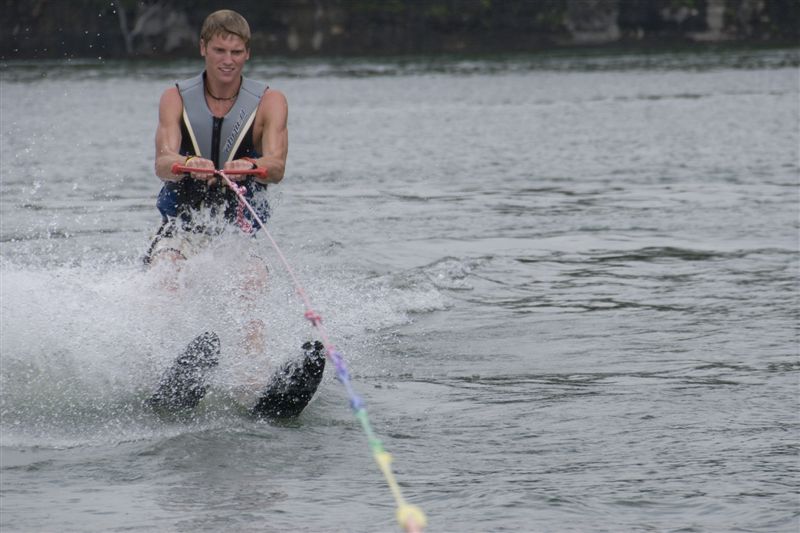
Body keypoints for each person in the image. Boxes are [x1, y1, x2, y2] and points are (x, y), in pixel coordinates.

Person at [145, 9, 288, 356]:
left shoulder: (270, 102)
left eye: (236, 52)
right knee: (166, 276)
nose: (228, 60)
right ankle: (161, 360)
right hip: (181, 228)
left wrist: (251, 165)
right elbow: (162, 163)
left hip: (233, 234)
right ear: (203, 48)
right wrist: (187, 163)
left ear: (247, 53)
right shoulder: (175, 98)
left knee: (252, 282)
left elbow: (277, 166)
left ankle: (252, 375)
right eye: (219, 51)